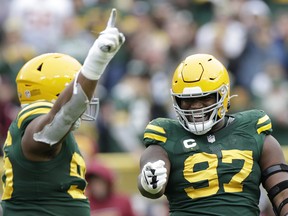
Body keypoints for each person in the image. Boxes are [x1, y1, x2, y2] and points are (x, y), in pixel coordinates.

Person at [1, 8, 125, 216]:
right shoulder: (35, 126)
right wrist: (94, 65)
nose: (86, 99)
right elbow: (57, 120)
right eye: (75, 85)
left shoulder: (50, 132)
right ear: (58, 93)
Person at [137, 53, 288, 216]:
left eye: (205, 98)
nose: (195, 106)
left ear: (223, 95)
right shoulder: (166, 135)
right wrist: (148, 181)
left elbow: (282, 190)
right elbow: (151, 171)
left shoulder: (253, 130)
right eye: (187, 100)